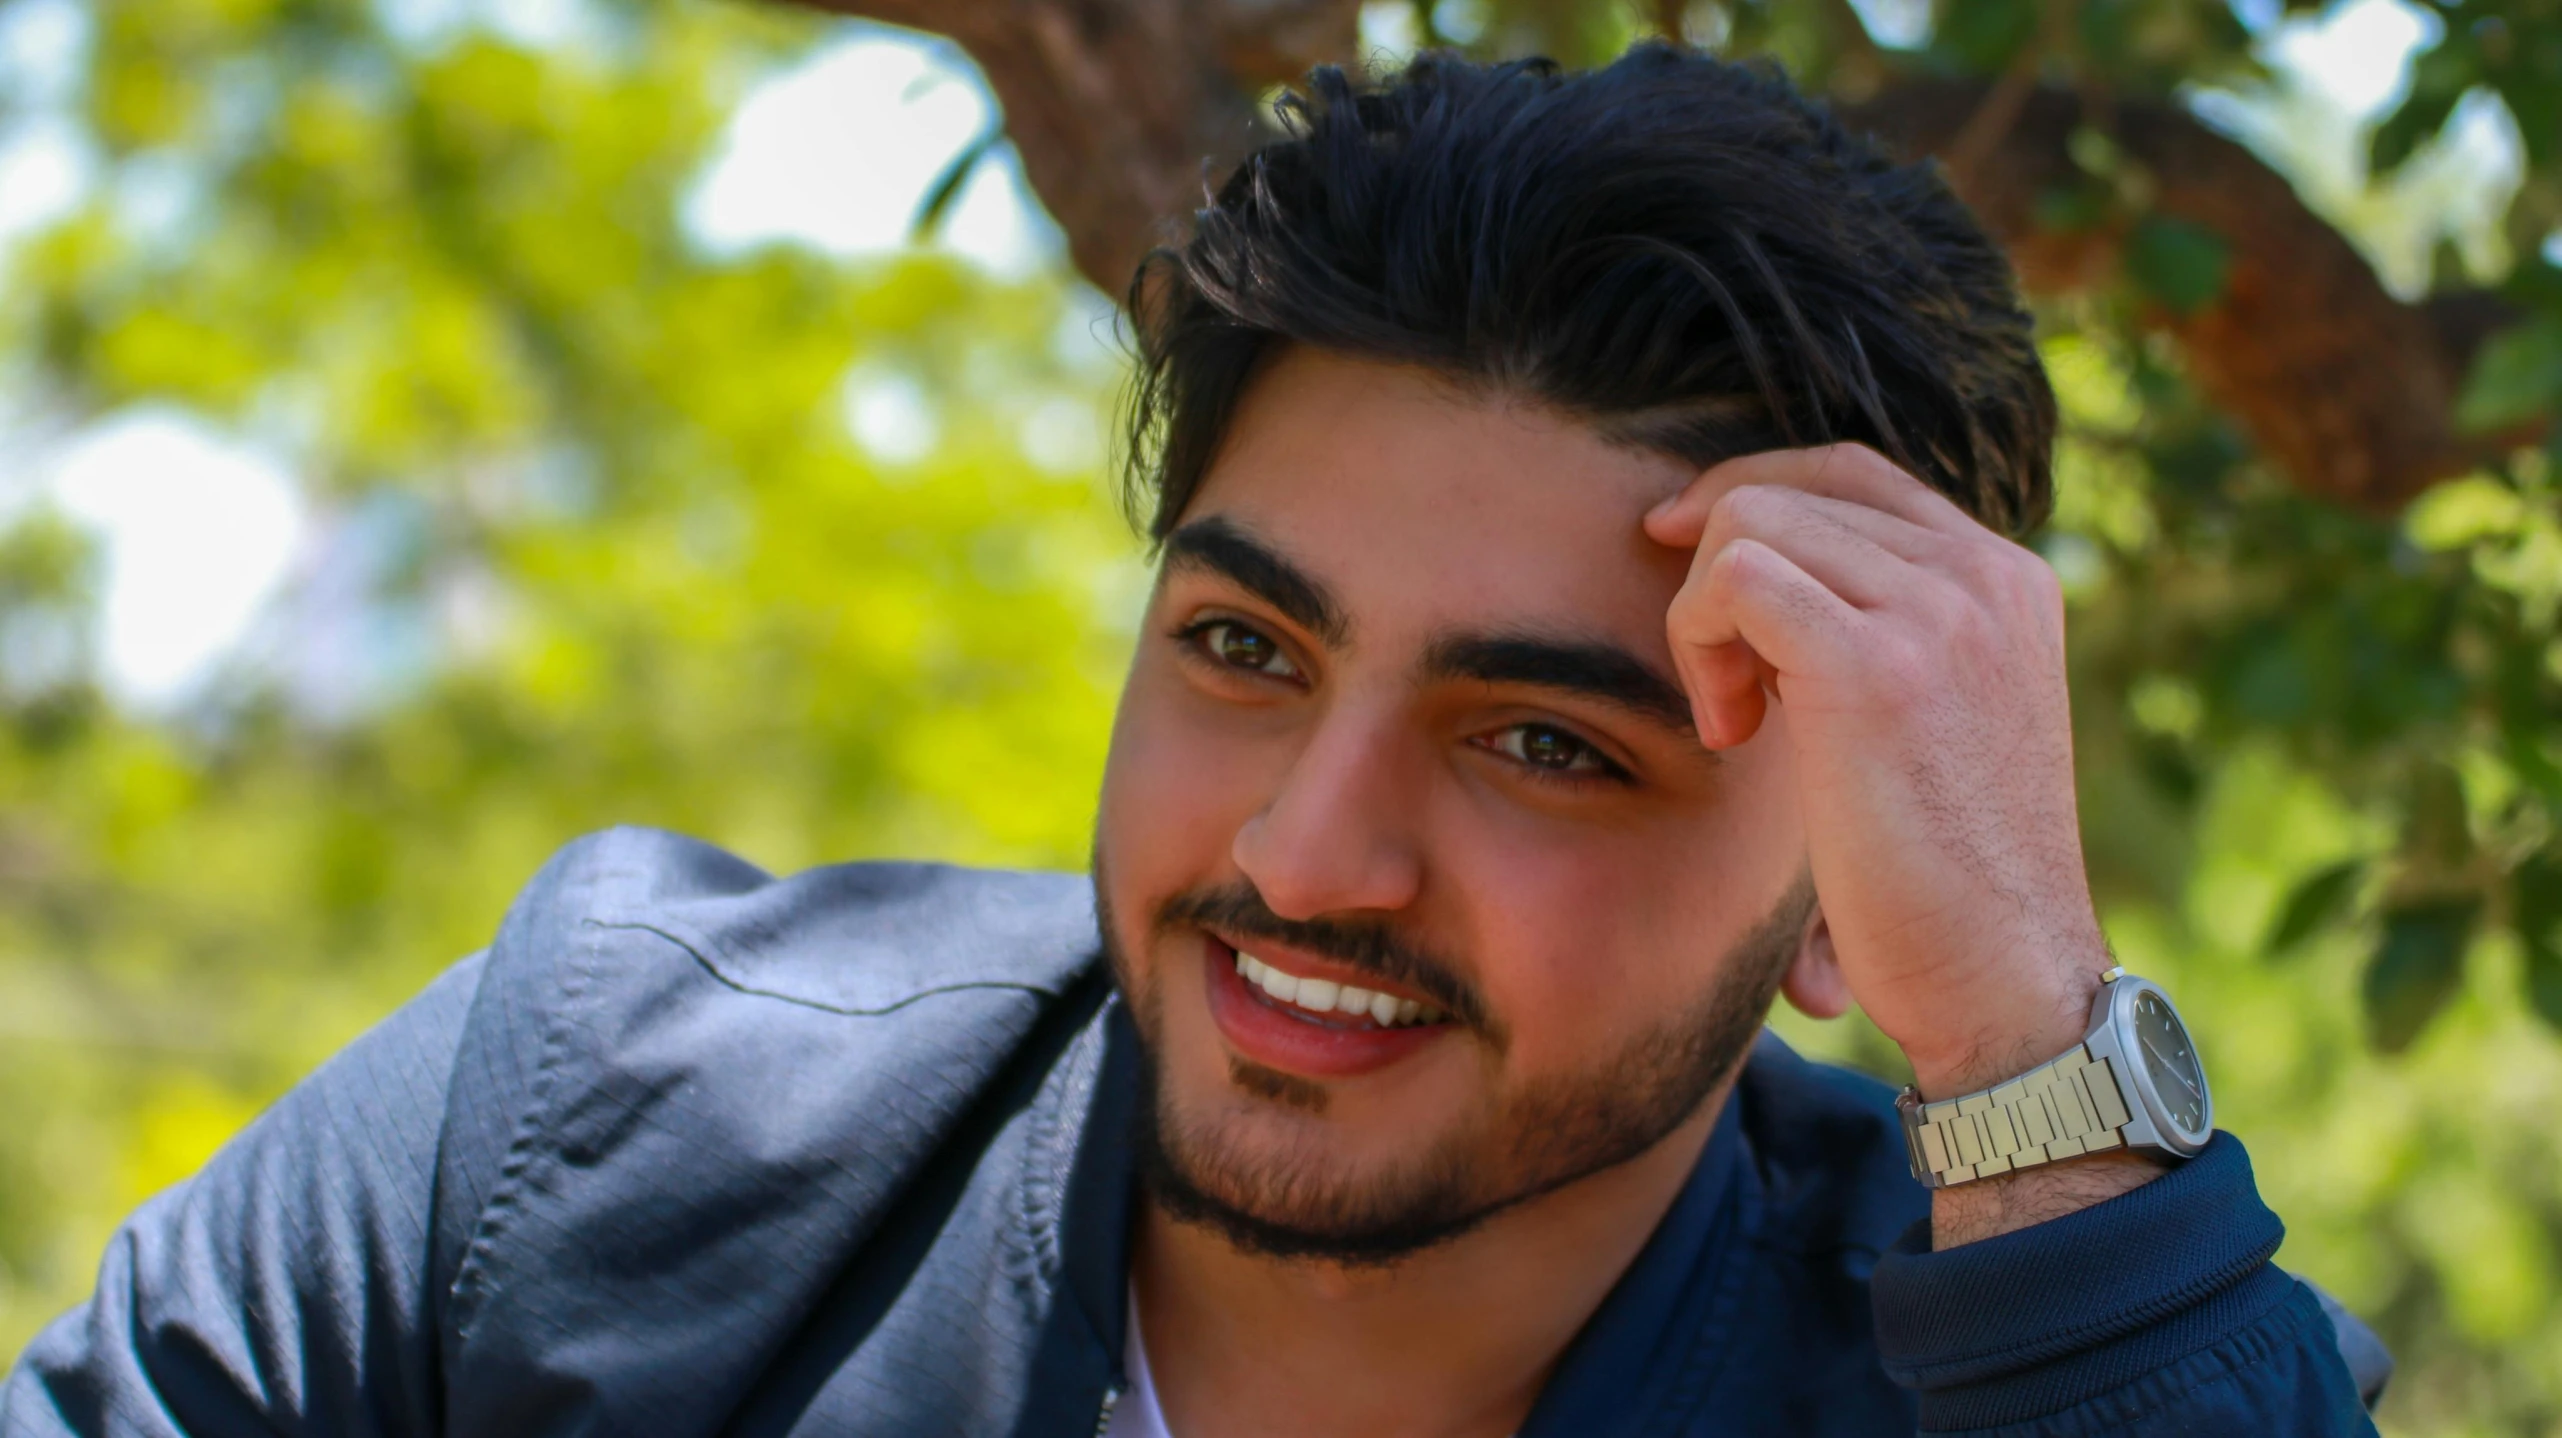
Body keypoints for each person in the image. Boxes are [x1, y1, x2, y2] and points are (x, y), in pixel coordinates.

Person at [1, 44, 2390, 1438]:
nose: (1311, 850)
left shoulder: (2058, 1354)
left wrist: (2033, 1051)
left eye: (1547, 746)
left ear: (1839, 899)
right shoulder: (615, 1104)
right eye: (1247, 649)